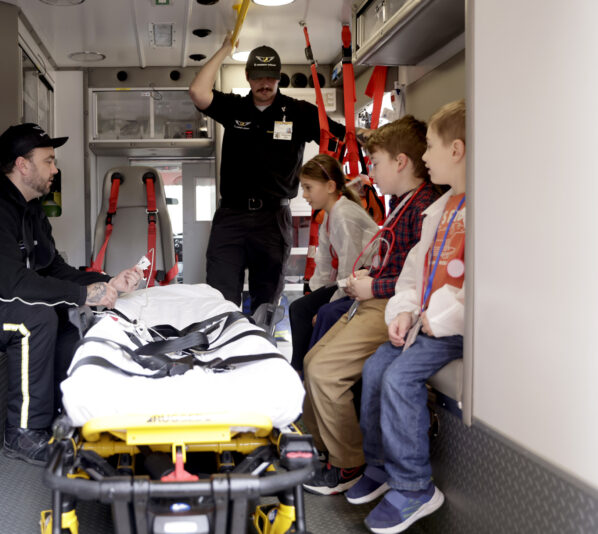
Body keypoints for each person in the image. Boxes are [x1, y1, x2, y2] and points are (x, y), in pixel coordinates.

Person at [0, 123, 142, 465]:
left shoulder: (31, 210)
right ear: (22, 165)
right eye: (49, 161)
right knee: (36, 318)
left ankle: (63, 416)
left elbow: (53, 268)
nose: (55, 170)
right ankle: (24, 433)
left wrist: (108, 282)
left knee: (61, 310)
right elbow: (13, 283)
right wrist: (82, 293)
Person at [301, 115, 441, 495]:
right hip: (377, 297)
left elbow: (420, 279)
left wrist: (373, 285)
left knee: (326, 372)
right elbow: (396, 261)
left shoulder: (424, 208)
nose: (370, 173)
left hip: (390, 305)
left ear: (401, 162)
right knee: (313, 362)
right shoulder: (401, 203)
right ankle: (325, 450)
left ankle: (348, 463)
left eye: (375, 163)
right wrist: (367, 275)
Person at [345, 100, 466, 533]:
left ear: (456, 150)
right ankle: (379, 465)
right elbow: (415, 272)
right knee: (377, 367)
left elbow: (483, 288)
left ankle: (414, 485)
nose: (425, 157)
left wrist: (442, 318)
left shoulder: (480, 212)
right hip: (425, 321)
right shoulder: (443, 210)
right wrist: (403, 311)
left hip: (452, 328)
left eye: (430, 148)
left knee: (399, 378)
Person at [189, 35, 346, 314]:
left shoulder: (299, 113)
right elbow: (199, 92)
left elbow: (340, 136)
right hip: (231, 218)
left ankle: (259, 350)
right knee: (218, 298)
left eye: (270, 78)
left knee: (266, 303)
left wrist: (370, 139)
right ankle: (223, 354)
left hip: (273, 220)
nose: (264, 84)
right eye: (259, 77)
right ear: (249, 77)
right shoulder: (235, 108)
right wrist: (225, 49)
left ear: (278, 78)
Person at [288, 154, 377, 374]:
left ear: (330, 186)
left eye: (308, 188)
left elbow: (350, 266)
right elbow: (326, 265)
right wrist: (316, 294)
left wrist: (326, 304)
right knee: (299, 308)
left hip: (366, 279)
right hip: (350, 279)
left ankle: (306, 370)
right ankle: (300, 370)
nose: (304, 195)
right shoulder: (330, 215)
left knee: (320, 313)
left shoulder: (344, 214)